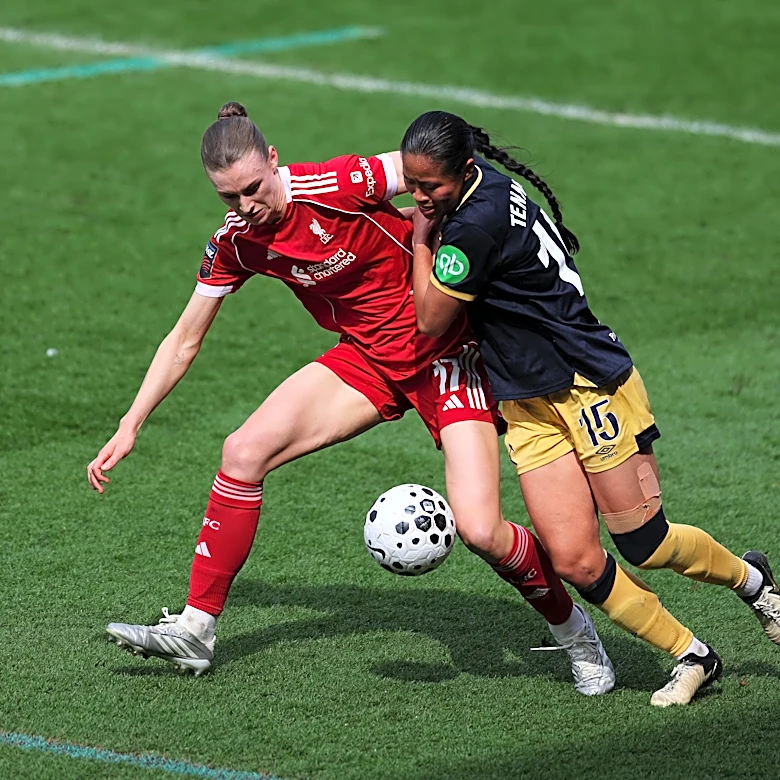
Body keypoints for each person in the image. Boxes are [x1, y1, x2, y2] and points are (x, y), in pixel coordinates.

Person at [88, 102, 615, 694]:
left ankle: (576, 635)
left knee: (481, 531)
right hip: (367, 359)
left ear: (274, 161)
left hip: (447, 358)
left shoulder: (336, 184)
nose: (244, 208)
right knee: (243, 451)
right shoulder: (237, 242)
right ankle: (197, 628)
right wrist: (132, 422)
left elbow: (432, 176)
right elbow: (184, 338)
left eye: (253, 189)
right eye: (228, 198)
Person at [401, 110, 780, 707]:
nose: (421, 197)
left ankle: (755, 583)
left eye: (431, 188)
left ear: (463, 169)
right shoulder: (487, 192)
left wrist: (422, 239)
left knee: (646, 545)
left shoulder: (470, 226)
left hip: (585, 384)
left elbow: (429, 318)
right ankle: (693, 654)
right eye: (414, 185)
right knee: (575, 561)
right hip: (527, 403)